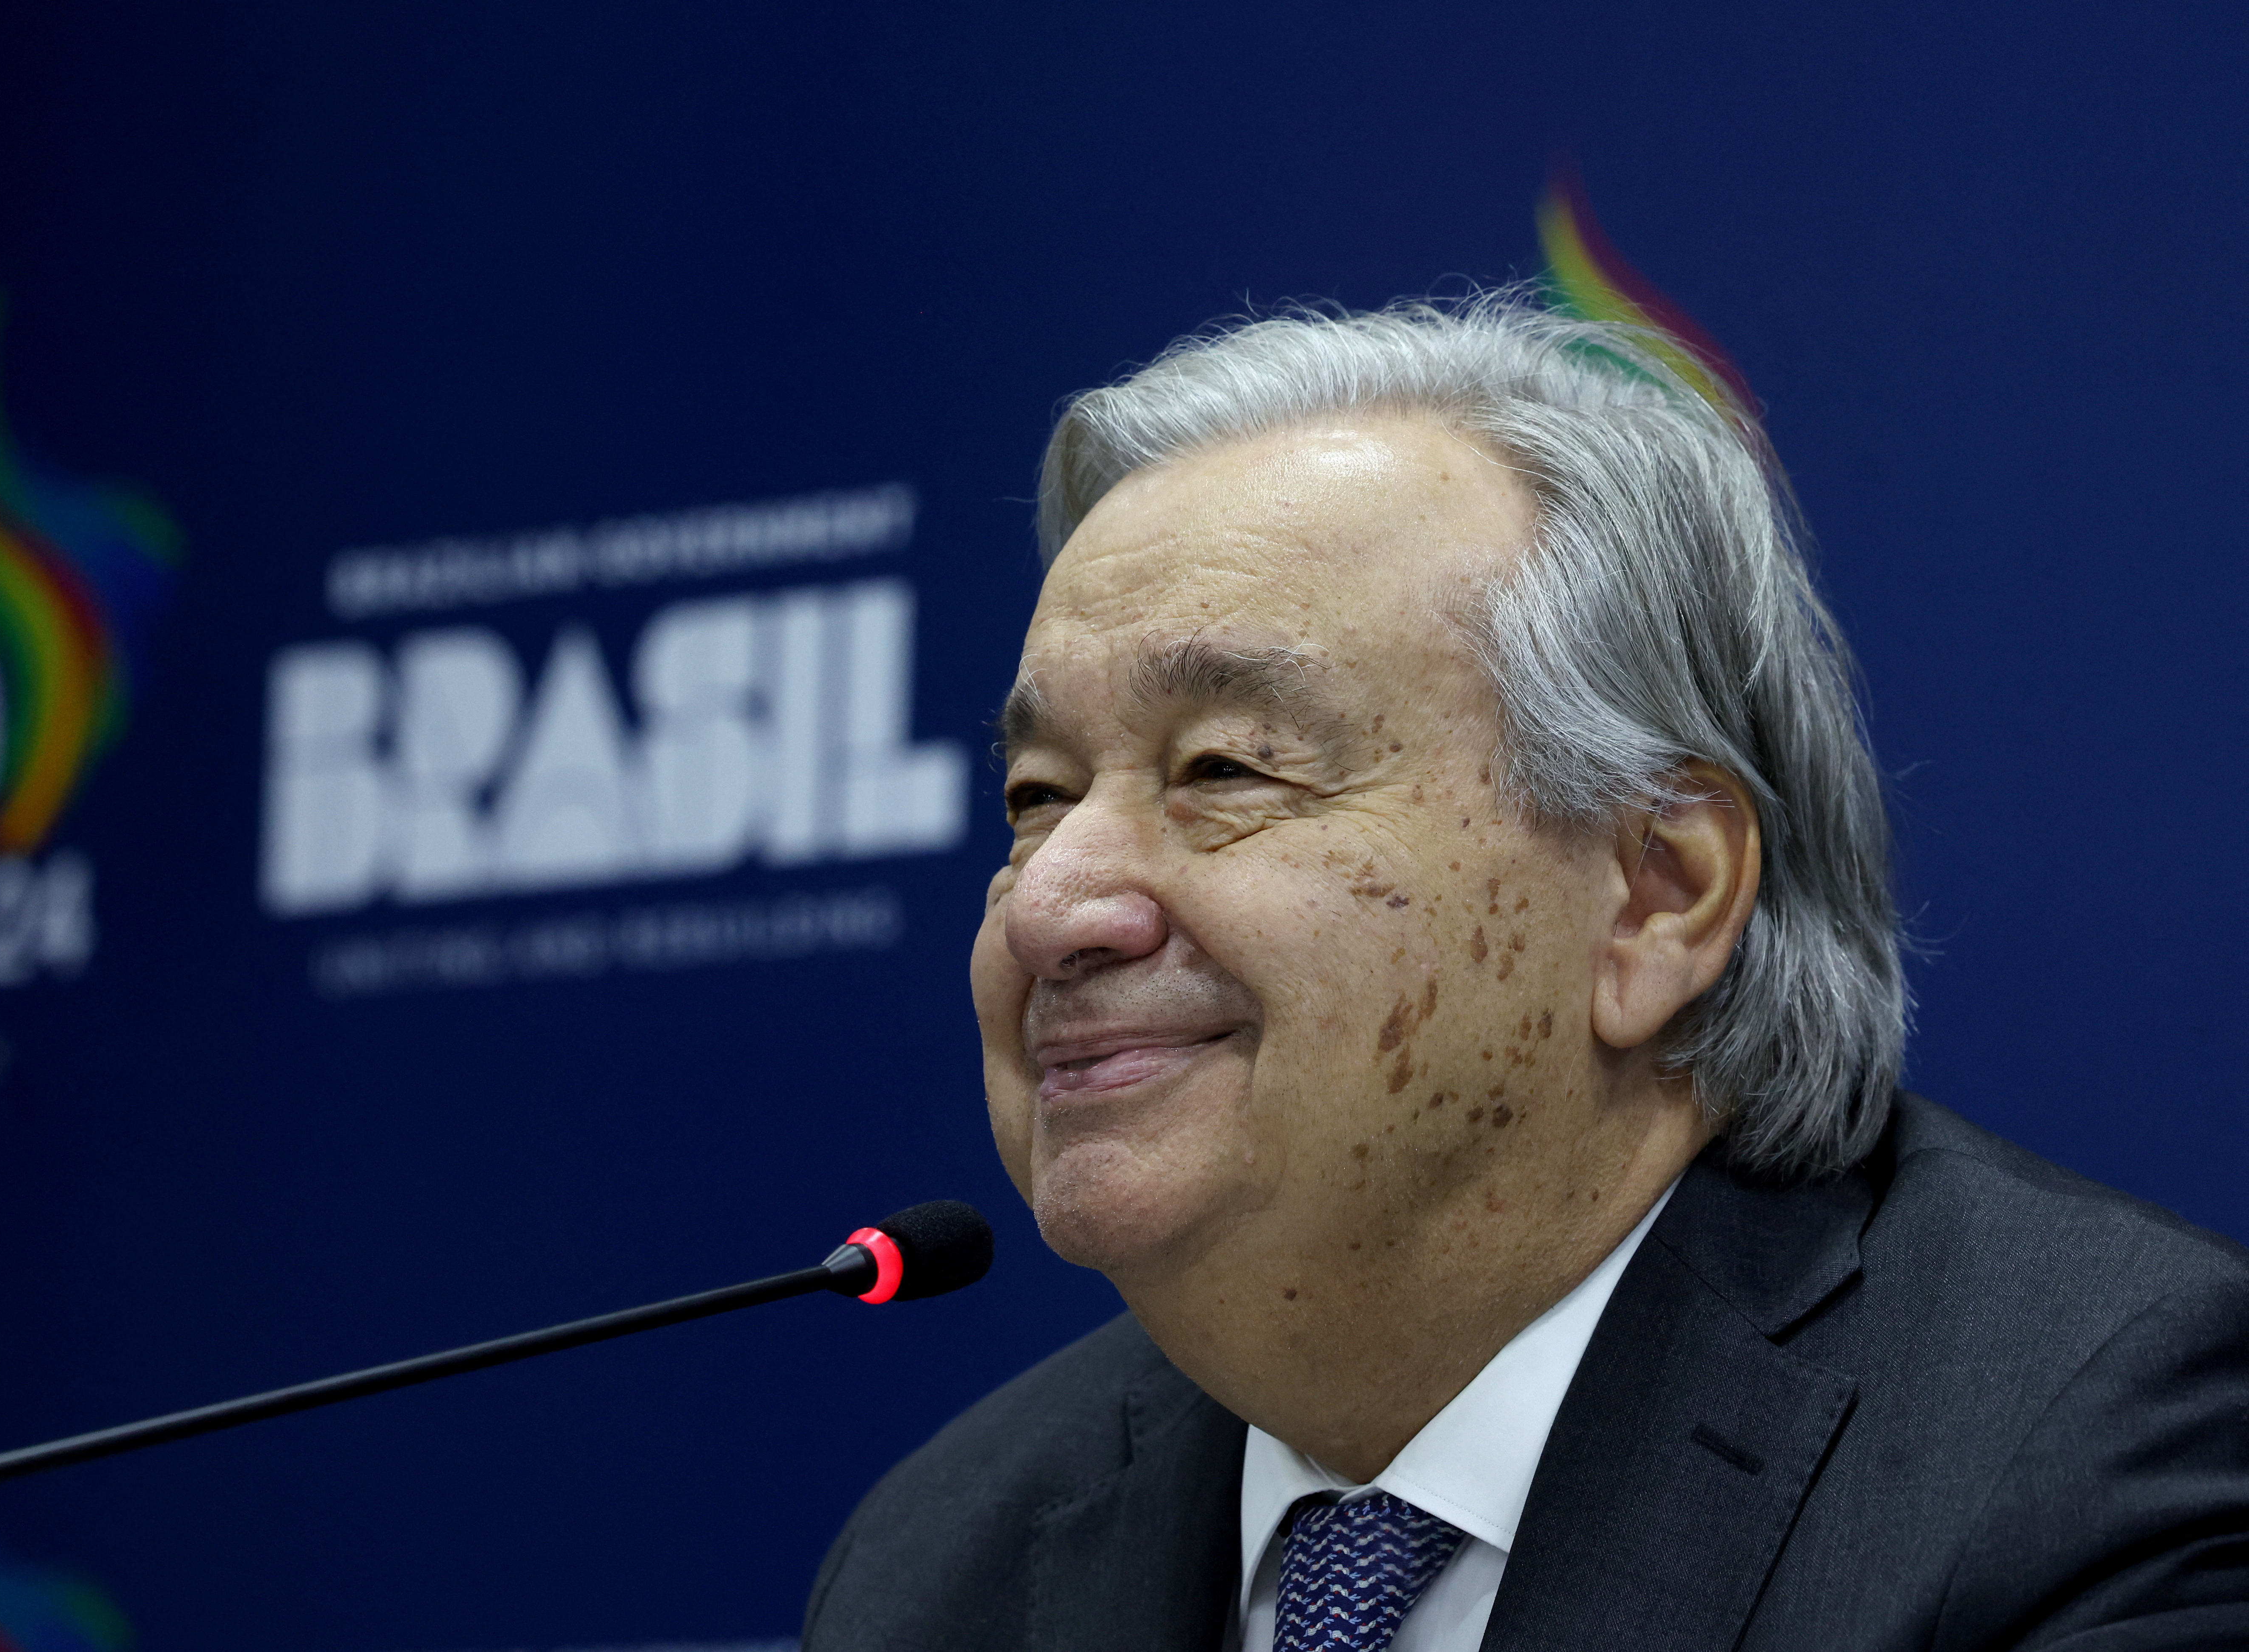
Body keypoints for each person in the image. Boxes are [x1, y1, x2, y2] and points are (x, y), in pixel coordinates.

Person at [802, 292, 2249, 1650]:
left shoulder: (2088, 1451)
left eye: (1226, 769)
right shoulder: (941, 1563)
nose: (1051, 902)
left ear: (1658, 899)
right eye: (1037, 796)